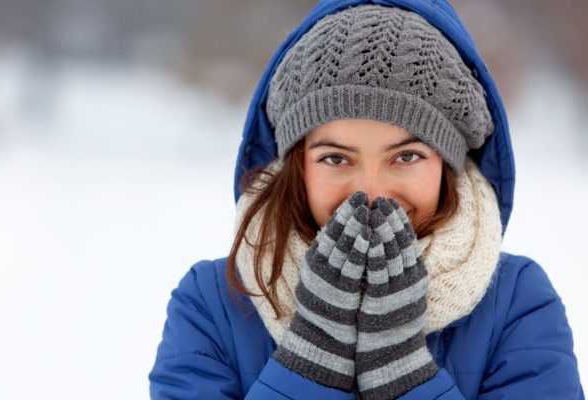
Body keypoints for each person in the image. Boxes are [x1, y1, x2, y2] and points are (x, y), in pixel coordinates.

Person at [149, 1, 584, 399]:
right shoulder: (212, 304)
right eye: (336, 158)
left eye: (406, 156)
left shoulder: (516, 302)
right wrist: (311, 362)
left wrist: (405, 374)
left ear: (448, 166)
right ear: (296, 165)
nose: (372, 191)